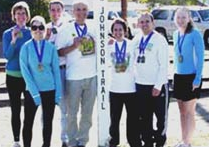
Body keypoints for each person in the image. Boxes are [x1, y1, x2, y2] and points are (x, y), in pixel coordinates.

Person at [55, 0, 97, 147]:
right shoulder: (65, 30)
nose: (81, 12)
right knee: (71, 113)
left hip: (92, 76)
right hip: (73, 77)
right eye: (78, 9)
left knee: (87, 113)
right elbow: (58, 52)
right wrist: (74, 46)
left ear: (87, 11)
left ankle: (83, 141)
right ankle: (72, 142)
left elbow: (103, 44)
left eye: (84, 9)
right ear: (73, 12)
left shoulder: (93, 27)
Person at [19, 15, 62, 147]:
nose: (38, 30)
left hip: (49, 89)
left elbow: (56, 71)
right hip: (32, 91)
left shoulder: (51, 48)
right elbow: (25, 72)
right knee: (28, 122)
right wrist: (35, 93)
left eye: (41, 27)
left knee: (48, 122)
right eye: (34, 27)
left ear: (45, 29)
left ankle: (46, 144)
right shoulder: (25, 48)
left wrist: (58, 93)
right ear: (31, 29)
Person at [133, 12, 169, 147]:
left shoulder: (160, 40)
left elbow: (164, 65)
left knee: (161, 118)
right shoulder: (136, 39)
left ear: (153, 23)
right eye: (141, 22)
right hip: (141, 85)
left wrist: (158, 85)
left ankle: (160, 142)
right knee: (144, 117)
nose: (144, 24)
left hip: (157, 86)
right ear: (138, 24)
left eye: (147, 21)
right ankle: (147, 141)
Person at [173, 8, 204, 147]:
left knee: (190, 112)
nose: (181, 20)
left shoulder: (195, 34)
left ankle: (188, 142)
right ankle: (183, 140)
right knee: (181, 112)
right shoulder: (175, 34)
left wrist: (197, 79)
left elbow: (201, 57)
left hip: (191, 78)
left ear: (189, 18)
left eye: (183, 17)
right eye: (178, 17)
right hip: (178, 77)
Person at [2, 2, 31, 147]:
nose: (21, 16)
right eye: (18, 13)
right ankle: (16, 140)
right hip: (13, 76)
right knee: (15, 109)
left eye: (23, 13)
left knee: (29, 110)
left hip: (29, 77)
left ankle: (27, 141)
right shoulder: (7, 33)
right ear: (14, 16)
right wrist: (13, 40)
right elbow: (7, 56)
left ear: (27, 16)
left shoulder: (33, 32)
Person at [107, 19, 139, 147]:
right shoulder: (109, 46)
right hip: (114, 88)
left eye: (120, 30)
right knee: (114, 119)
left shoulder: (132, 45)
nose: (118, 32)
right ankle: (114, 141)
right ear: (112, 32)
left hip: (130, 88)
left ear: (125, 31)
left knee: (132, 118)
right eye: (115, 30)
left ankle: (133, 141)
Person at [46, 0, 69, 146]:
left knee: (64, 108)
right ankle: (45, 138)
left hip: (63, 70)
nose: (55, 13)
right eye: (52, 10)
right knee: (46, 108)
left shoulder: (67, 27)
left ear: (62, 11)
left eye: (57, 10)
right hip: (48, 73)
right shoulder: (44, 28)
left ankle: (64, 139)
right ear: (49, 12)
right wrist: (47, 37)